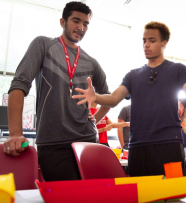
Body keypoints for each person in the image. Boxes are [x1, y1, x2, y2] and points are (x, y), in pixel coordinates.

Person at [73, 21, 186, 177]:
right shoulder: (133, 75)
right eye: (144, 40)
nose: (146, 45)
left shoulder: (178, 69)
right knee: (141, 196)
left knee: (174, 195)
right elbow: (115, 98)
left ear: (164, 43)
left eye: (152, 40)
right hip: (138, 146)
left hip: (169, 143)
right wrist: (96, 97)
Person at [3, 1, 110, 181]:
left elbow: (108, 97)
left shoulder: (91, 62)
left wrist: (95, 118)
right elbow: (19, 85)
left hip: (88, 141)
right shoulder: (43, 45)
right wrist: (15, 134)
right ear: (62, 22)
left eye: (85, 24)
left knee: (92, 196)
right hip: (53, 144)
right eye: (76, 21)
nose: (81, 27)